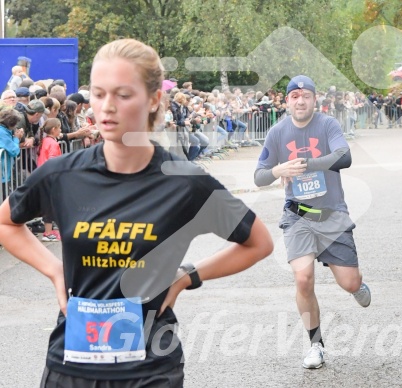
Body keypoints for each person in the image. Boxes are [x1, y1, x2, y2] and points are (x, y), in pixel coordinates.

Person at [0, 38, 273, 387]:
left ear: (154, 99)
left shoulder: (185, 182)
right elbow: (6, 221)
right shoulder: (62, 175)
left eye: (123, 95)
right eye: (98, 94)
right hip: (73, 365)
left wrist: (188, 277)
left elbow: (259, 243)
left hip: (151, 368)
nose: (107, 107)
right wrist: (55, 270)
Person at [254, 75, 371, 370]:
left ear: (314, 99)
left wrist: (306, 165)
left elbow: (344, 157)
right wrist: (279, 168)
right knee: (303, 280)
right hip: (298, 216)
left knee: (349, 282)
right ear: (287, 101)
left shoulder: (327, 124)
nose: (300, 101)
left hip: (332, 214)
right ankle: (315, 345)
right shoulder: (278, 132)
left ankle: (356, 286)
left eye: (306, 96)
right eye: (295, 96)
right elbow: (259, 176)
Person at [36, 118, 63, 242]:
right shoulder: (52, 143)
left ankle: (50, 231)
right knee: (49, 207)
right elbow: (52, 160)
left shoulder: (45, 140)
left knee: (50, 205)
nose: (61, 130)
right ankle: (47, 233)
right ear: (54, 129)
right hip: (50, 177)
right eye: (59, 128)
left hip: (43, 176)